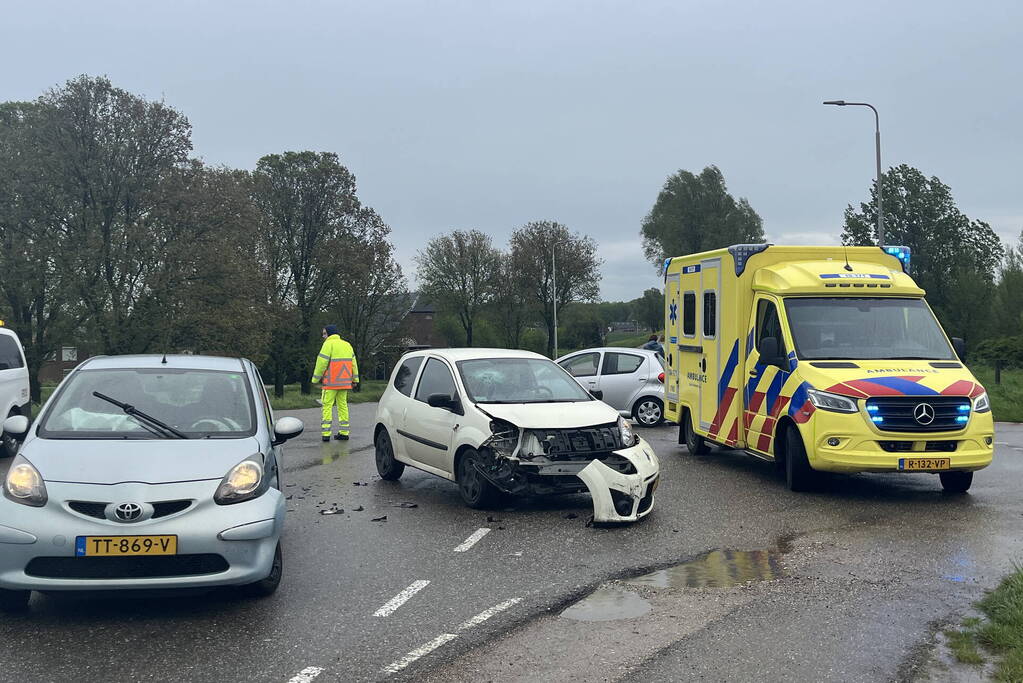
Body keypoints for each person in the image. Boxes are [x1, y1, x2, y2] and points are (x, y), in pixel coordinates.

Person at [311, 325, 359, 442]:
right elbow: (354, 364)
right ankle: (344, 433)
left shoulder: (328, 344)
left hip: (331, 383)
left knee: (327, 406)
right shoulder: (347, 345)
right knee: (342, 406)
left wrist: (315, 379)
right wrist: (355, 380)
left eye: (324, 334)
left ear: (329, 334)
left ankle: (326, 434)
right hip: (344, 383)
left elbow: (321, 363)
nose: (323, 336)